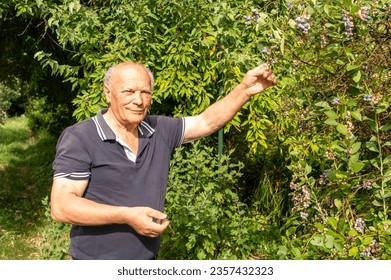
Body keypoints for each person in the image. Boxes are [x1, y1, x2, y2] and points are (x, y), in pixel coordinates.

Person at [50, 61, 277, 260]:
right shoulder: (80, 137)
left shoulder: (158, 129)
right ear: (108, 93)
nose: (138, 101)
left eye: (145, 92)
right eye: (128, 92)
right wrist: (126, 215)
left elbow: (206, 123)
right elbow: (62, 206)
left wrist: (244, 90)